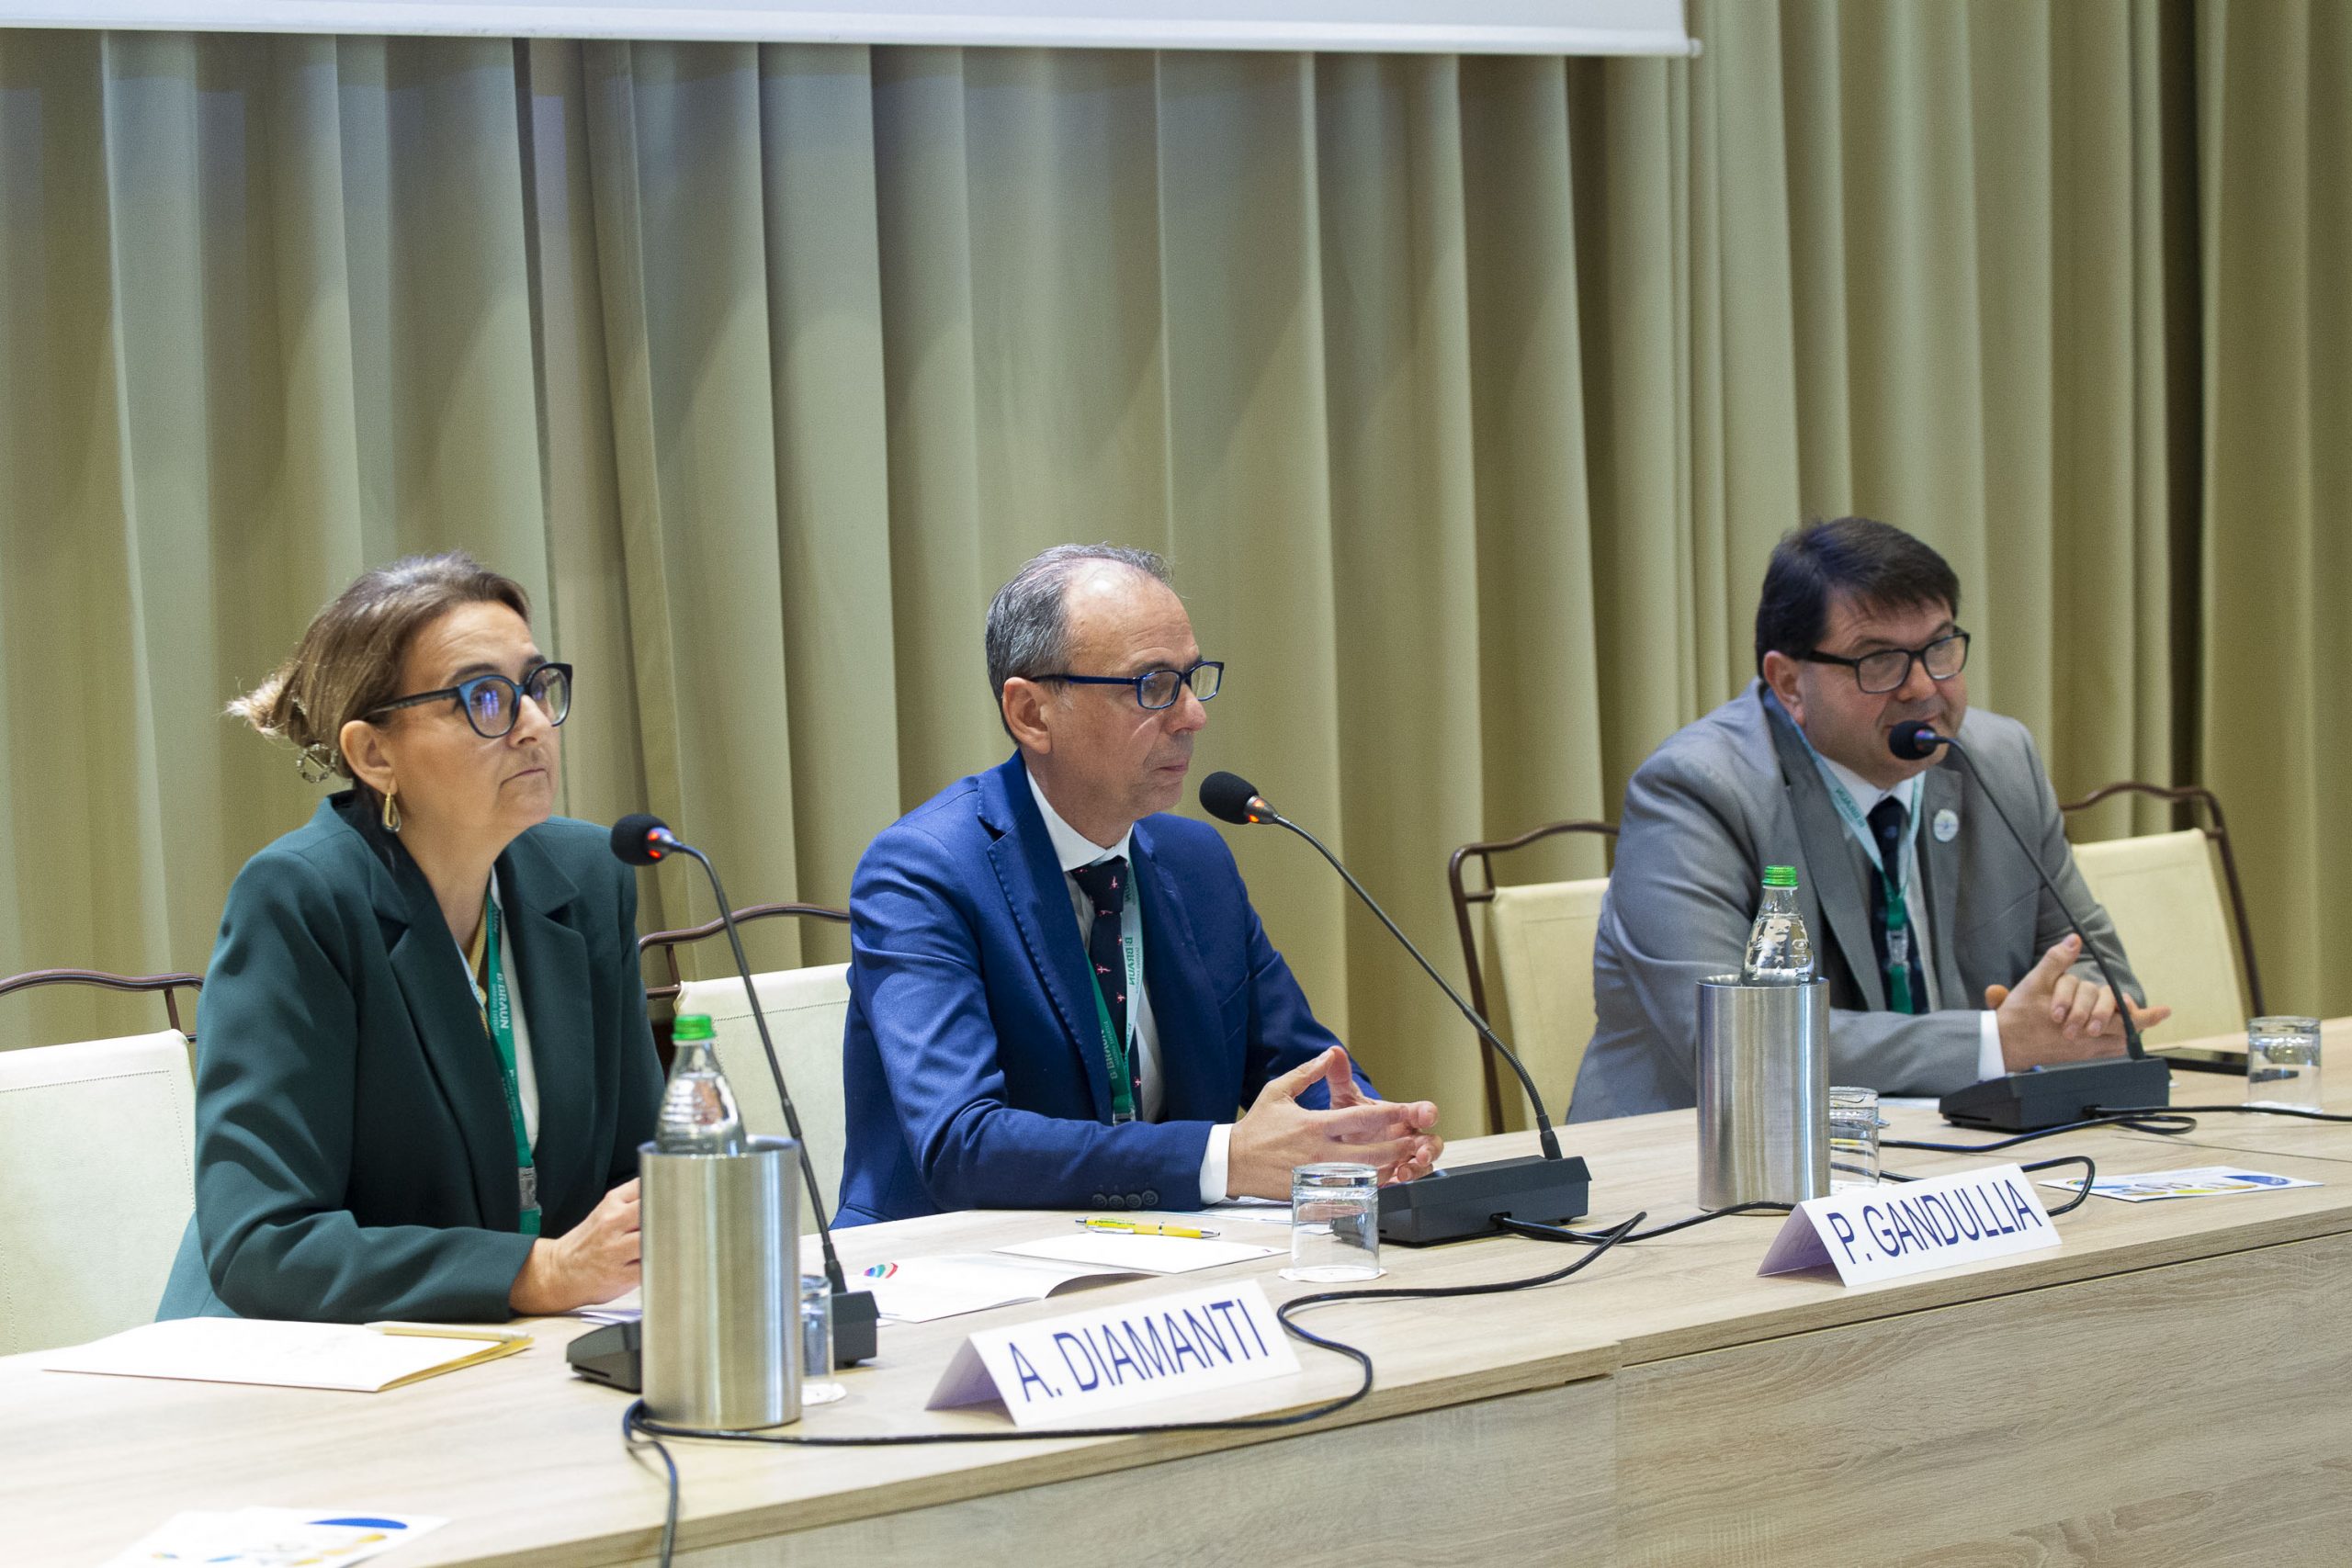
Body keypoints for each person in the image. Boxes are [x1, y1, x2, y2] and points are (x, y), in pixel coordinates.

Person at [838, 545, 1442, 1224]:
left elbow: (1301, 1066)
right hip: (945, 1267)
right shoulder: (923, 872)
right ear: (1031, 713)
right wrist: (1225, 1158)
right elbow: (961, 1144)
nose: (1192, 715)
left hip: (1167, 1254)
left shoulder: (1196, 862)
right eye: (1152, 685)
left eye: (1192, 679)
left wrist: (1360, 1133)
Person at [157, 554, 662, 1322]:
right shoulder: (302, 899)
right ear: (375, 754)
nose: (532, 724)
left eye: (535, 686)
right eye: (484, 697)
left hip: (517, 1346)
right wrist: (534, 1272)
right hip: (293, 1354)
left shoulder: (589, 876)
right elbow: (263, 1243)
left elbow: (640, 1171)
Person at [1571, 518, 2171, 1121]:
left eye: (1940, 648)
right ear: (1789, 683)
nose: (1922, 687)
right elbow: (1734, 1042)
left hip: (1953, 1148)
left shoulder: (1998, 760)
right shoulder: (1696, 790)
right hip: (1705, 1154)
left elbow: (2103, 974)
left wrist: (2081, 1006)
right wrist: (1995, 1043)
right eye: (1880, 660)